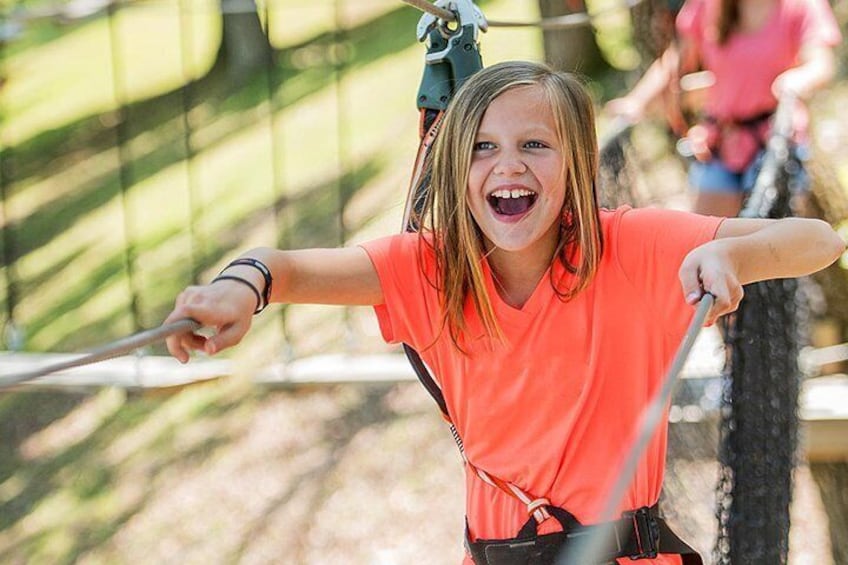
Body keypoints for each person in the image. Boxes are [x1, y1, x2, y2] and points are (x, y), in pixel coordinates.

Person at [164, 61, 844, 564]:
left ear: (577, 163)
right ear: (458, 169)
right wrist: (238, 287)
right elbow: (279, 268)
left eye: (534, 145)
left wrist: (731, 259)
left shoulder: (630, 246)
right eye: (483, 147)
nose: (507, 166)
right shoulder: (427, 269)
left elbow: (817, 242)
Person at [606, 0, 841, 217]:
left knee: (774, 235)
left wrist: (798, 79)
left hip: (776, 142)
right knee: (706, 234)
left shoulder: (800, 5)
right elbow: (676, 59)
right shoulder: (709, 5)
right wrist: (637, 101)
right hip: (723, 142)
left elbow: (821, 63)